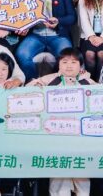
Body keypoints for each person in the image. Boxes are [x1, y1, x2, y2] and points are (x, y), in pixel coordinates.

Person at [29, 49, 94, 196]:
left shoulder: (88, 82)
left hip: (81, 140)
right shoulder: (50, 79)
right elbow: (29, 89)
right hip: (56, 138)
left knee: (82, 180)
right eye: (64, 62)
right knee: (59, 180)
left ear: (80, 65)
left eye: (73, 62)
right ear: (58, 64)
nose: (69, 66)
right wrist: (36, 87)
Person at [15, 0, 76, 81]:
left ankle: (60, 84)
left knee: (68, 59)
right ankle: (33, 82)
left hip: (58, 35)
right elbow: (22, 20)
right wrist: (23, 28)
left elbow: (72, 17)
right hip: (35, 35)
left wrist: (59, 21)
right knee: (22, 54)